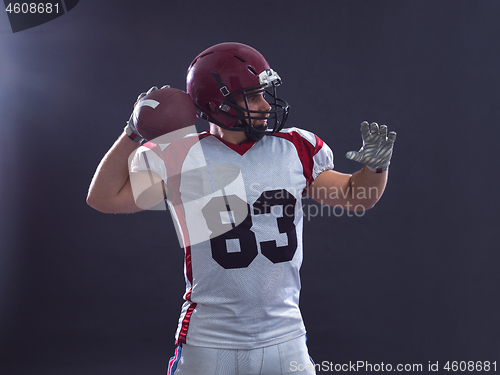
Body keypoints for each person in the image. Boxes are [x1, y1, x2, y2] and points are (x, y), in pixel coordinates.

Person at [86, 42, 396, 375]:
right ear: (217, 104)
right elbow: (103, 197)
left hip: (284, 338)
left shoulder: (294, 147)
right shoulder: (179, 155)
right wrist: (133, 132)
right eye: (252, 97)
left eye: (264, 93)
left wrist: (376, 167)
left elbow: (355, 196)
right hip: (208, 341)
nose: (265, 105)